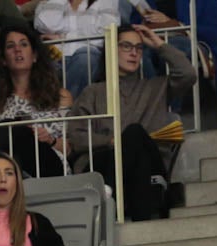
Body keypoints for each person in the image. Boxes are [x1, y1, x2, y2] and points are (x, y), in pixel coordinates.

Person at [69, 23, 197, 224]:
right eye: (126, 46)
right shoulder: (93, 92)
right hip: (104, 163)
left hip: (146, 166)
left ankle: (113, 210)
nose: (134, 53)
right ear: (112, 49)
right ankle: (138, 220)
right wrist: (110, 141)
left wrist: (158, 44)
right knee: (130, 138)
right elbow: (76, 135)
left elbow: (188, 74)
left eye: (138, 48)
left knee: (135, 134)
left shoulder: (156, 87)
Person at [0, 25, 72, 178]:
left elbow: (70, 148)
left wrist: (50, 140)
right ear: (4, 60)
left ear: (34, 56)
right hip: (2, 171)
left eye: (24, 44)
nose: (17, 50)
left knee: (16, 130)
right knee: (9, 129)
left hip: (49, 168)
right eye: (10, 46)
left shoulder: (59, 96)